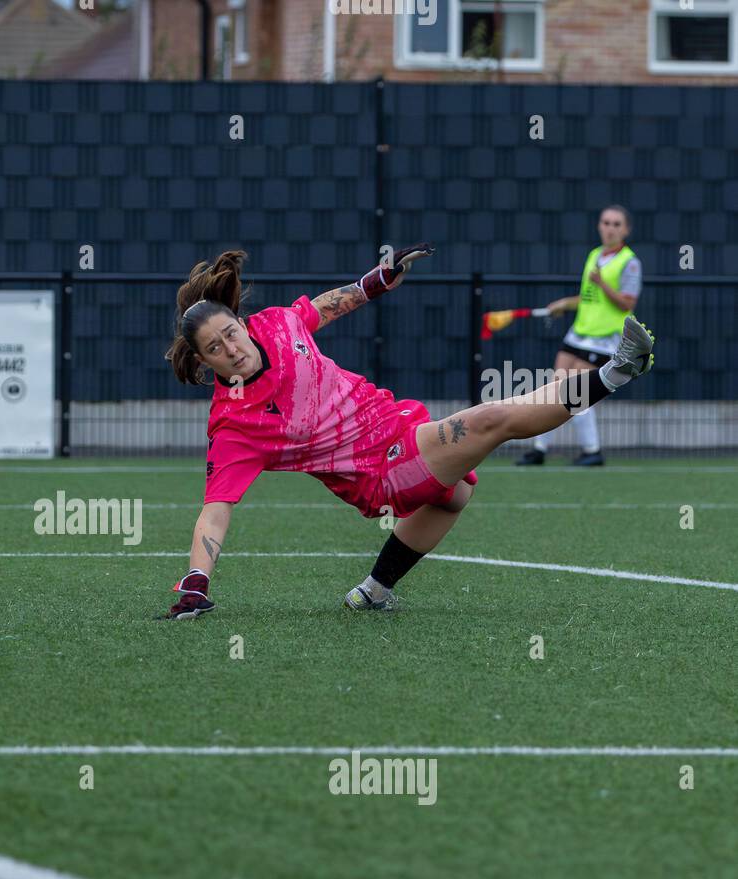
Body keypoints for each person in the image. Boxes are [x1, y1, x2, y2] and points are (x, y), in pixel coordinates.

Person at [159, 248, 655, 617]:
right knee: (491, 420)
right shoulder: (233, 424)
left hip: (395, 421)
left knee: (454, 496)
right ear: (203, 362)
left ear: (242, 324)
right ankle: (618, 370)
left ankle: (374, 591)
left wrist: (374, 282)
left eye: (230, 333)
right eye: (214, 348)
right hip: (378, 473)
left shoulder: (275, 323)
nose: (230, 348)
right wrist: (196, 581)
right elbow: (215, 510)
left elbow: (326, 306)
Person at [515, 206, 642, 467]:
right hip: (578, 333)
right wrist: (564, 303)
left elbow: (626, 304)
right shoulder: (594, 255)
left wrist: (602, 283)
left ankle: (592, 450)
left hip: (604, 338)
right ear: (599, 226)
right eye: (606, 223)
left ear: (626, 230)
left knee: (577, 392)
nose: (610, 228)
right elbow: (588, 299)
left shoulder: (630, 262)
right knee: (554, 388)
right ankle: (539, 448)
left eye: (617, 224)